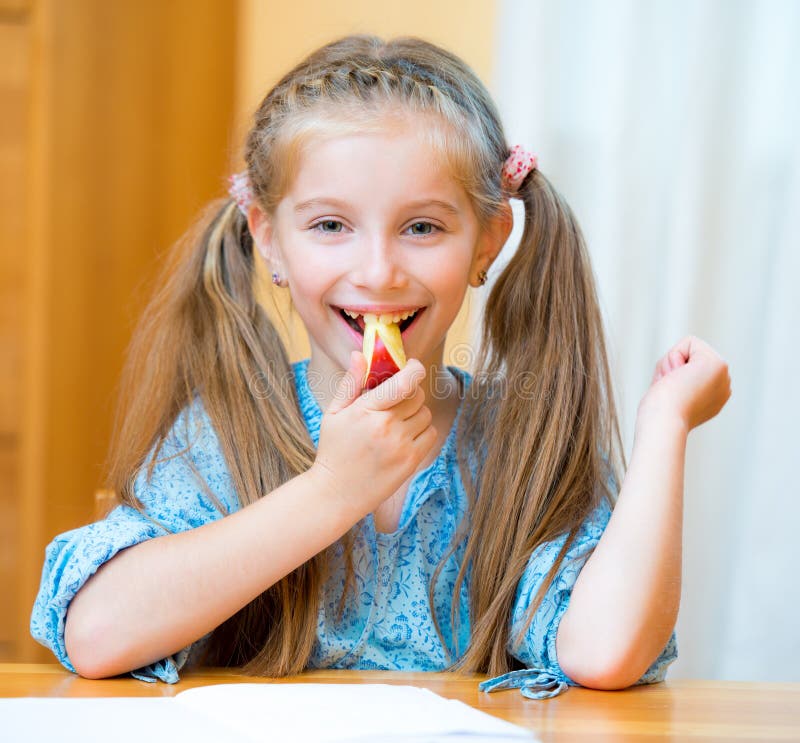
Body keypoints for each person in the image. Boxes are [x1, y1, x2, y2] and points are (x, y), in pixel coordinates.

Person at [30, 34, 731, 699]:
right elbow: (95, 633)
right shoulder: (228, 431)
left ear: (488, 240)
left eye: (422, 227)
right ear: (268, 239)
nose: (377, 272)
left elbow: (605, 650)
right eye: (330, 225)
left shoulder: (520, 444)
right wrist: (334, 489)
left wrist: (665, 425)